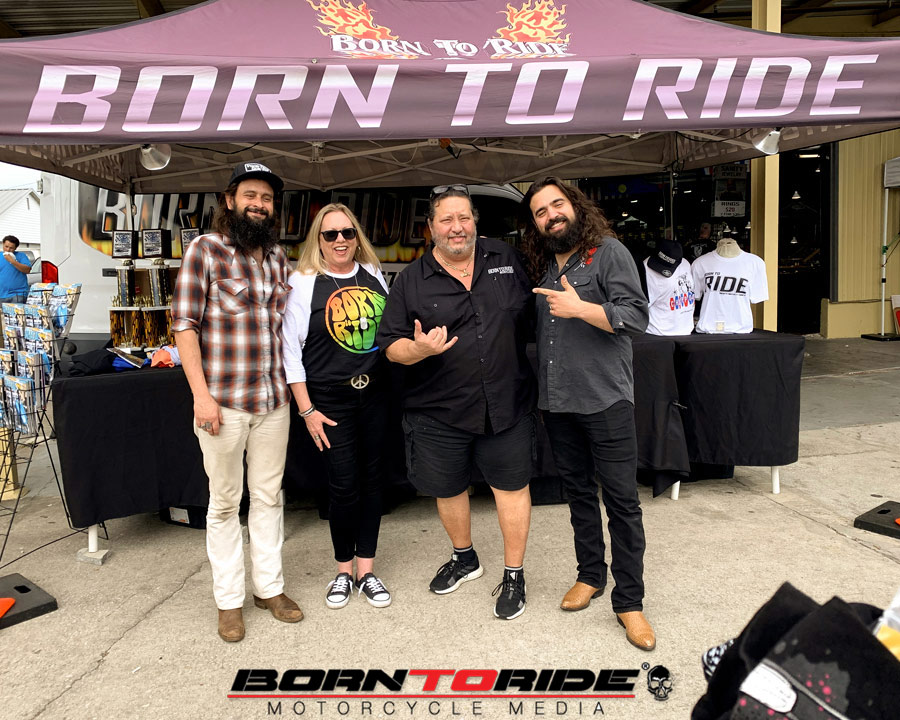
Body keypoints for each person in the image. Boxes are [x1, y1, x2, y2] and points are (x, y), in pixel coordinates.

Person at [376, 185, 537, 620]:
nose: (456, 227)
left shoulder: (506, 259)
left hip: (507, 402)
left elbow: (536, 314)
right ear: (431, 227)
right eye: (446, 219)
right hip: (439, 410)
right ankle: (465, 558)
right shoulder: (411, 280)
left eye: (463, 217)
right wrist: (419, 349)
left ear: (475, 221)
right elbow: (390, 346)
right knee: (448, 489)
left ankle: (514, 574)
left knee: (512, 489)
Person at [521, 176, 656, 651]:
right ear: (535, 224)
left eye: (557, 204)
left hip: (605, 400)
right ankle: (590, 575)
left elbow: (636, 316)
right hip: (557, 403)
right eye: (540, 211)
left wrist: (582, 309)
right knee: (577, 494)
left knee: (621, 502)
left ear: (575, 206)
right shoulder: (542, 264)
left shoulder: (608, 253)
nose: (551, 215)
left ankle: (630, 601)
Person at [172, 161, 302, 643]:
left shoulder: (279, 258)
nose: (259, 205)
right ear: (230, 200)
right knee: (225, 503)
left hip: (273, 401)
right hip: (222, 403)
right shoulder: (205, 250)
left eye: (266, 198)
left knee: (269, 496)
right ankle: (229, 601)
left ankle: (269, 589)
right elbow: (184, 326)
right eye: (250, 195)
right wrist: (200, 397)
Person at [282, 203, 392, 610]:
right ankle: (343, 571)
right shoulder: (302, 282)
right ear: (319, 240)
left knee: (373, 483)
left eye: (347, 232)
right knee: (343, 486)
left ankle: (367, 571)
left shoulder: (373, 274)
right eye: (331, 234)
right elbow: (290, 352)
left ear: (356, 237)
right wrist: (307, 411)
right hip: (330, 400)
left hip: (375, 395)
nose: (340, 240)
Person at [0, 235, 32, 303]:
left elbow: (27, 270)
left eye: (11, 248)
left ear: (15, 248)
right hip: (1, 294)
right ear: (3, 244)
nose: (8, 250)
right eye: (6, 246)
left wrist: (12, 261)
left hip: (18, 294)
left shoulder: (21, 256)